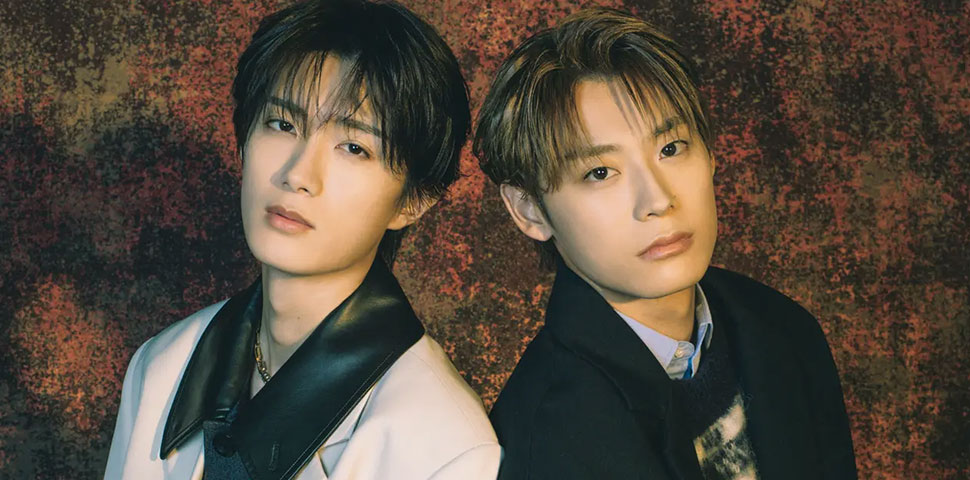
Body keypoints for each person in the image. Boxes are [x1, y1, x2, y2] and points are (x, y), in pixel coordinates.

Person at [105, 1, 501, 478]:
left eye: (354, 147)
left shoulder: (445, 447)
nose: (297, 174)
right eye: (283, 124)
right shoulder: (159, 367)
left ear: (412, 201)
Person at [474, 8, 856, 480]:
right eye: (600, 172)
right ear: (530, 210)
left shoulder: (783, 329)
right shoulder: (546, 441)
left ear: (710, 153)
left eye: (670, 148)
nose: (657, 199)